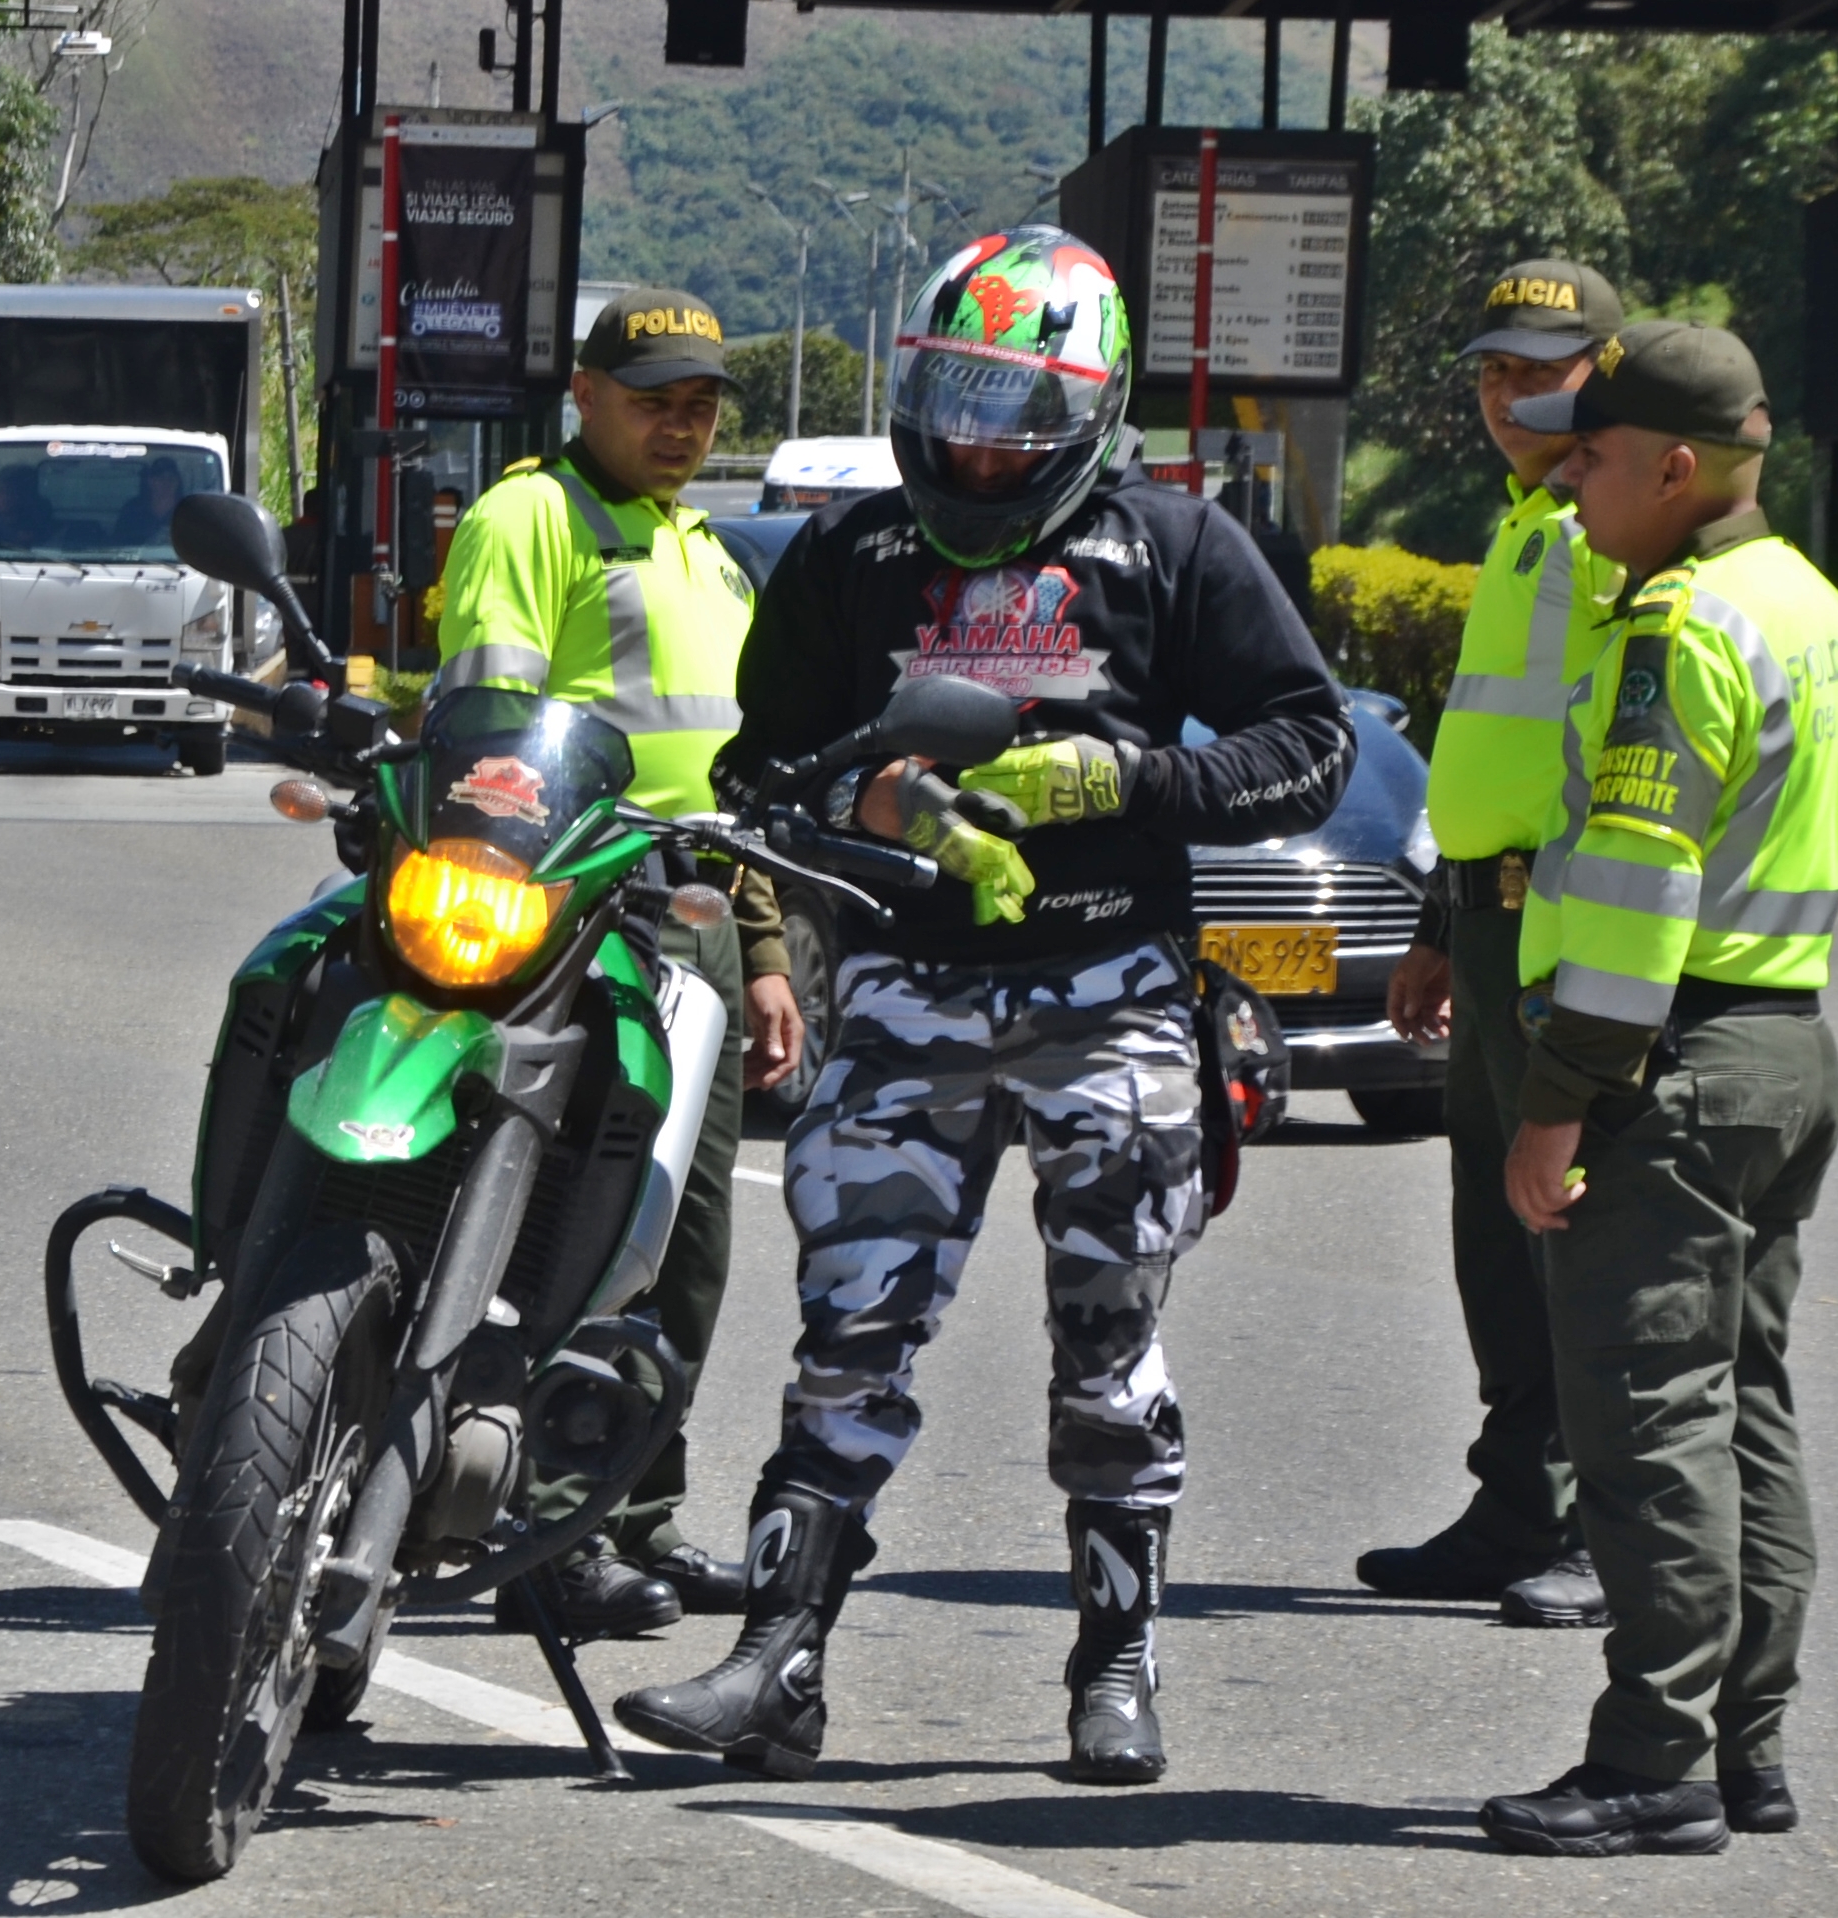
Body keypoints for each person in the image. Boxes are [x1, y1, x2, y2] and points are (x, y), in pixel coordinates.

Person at [618, 227, 1352, 1786]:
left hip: (1115, 993)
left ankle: (1115, 1663)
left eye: (1016, 408)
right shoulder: (853, 554)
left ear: (1093, 407)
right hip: (904, 988)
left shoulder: (1177, 546)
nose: (978, 438)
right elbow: (756, 778)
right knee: (849, 1332)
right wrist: (881, 812)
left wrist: (1135, 779)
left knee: (1110, 1349)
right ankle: (775, 1658)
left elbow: (1311, 745)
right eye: (954, 396)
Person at [1477, 322, 1837, 1855]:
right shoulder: (1804, 603)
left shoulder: (1674, 628)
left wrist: (1556, 1098)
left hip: (1667, 1059)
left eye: (1594, 457)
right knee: (1742, 1401)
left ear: (1679, 471)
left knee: (1644, 1420)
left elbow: (1632, 890)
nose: (1567, 481)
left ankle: (1652, 1758)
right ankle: (1745, 1747)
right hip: (1784, 1042)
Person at [431, 288, 802, 1638]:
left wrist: (761, 950)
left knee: (679, 1243)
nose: (681, 421)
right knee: (571, 1229)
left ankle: (627, 1512)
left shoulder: (703, 552)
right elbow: (483, 728)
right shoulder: (533, 517)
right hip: (574, 919)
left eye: (701, 400)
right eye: (652, 396)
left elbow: (731, 788)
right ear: (581, 394)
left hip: (694, 921)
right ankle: (535, 1523)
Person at [1362, 258, 1626, 1629]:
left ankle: (1593, 1519)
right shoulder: (1533, 522)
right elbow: (1492, 754)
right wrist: (1432, 920)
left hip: (1564, 926)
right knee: (1488, 1227)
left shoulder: (1612, 531)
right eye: (1490, 370)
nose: (1507, 392)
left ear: (1607, 368)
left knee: (1562, 1226)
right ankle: (1516, 1498)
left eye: (1541, 366)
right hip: (1484, 916)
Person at [113, 453, 186, 548]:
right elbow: (118, 543)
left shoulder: (186, 511)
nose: (166, 483)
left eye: (171, 478)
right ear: (150, 481)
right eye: (160, 478)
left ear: (178, 482)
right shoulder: (132, 510)